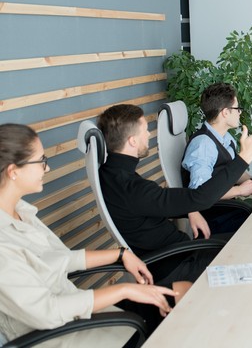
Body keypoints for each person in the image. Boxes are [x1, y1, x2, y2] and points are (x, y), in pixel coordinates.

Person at [0, 124, 177, 346]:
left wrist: (120, 254)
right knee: (166, 321)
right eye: (41, 161)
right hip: (60, 336)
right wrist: (124, 289)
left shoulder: (21, 212)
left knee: (172, 304)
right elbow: (48, 312)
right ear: (13, 171)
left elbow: (60, 258)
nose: (46, 169)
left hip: (76, 314)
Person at [97, 104, 252, 286]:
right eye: (145, 130)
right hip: (179, 265)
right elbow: (200, 197)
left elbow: (159, 202)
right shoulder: (131, 188)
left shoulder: (111, 174)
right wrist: (245, 157)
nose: (149, 134)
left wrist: (190, 209)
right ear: (133, 141)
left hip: (180, 253)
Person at [181, 83, 252, 239]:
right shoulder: (203, 145)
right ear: (225, 113)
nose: (240, 113)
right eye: (237, 109)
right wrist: (240, 190)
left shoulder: (225, 138)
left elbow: (231, 169)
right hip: (214, 220)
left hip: (229, 211)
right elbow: (199, 193)